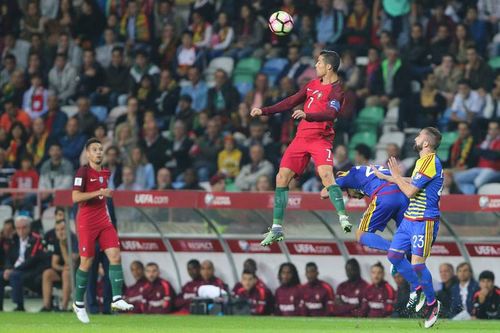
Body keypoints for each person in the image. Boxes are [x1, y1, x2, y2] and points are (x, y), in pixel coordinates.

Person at [251, 50, 351, 246]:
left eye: (319, 63)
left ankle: (343, 217)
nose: (316, 66)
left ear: (329, 66)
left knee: (325, 174)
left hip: (320, 139)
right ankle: (277, 229)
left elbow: (330, 114)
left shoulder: (337, 90)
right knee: (281, 178)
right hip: (301, 139)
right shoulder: (312, 84)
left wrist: (307, 115)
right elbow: (290, 101)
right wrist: (264, 111)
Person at [372, 127, 444, 328]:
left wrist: (395, 175)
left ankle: (432, 303)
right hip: (409, 220)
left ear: (426, 143)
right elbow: (415, 181)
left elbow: (411, 192)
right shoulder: (422, 162)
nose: (416, 138)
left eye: (419, 135)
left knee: (418, 265)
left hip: (424, 221)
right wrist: (387, 177)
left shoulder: (432, 162)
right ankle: (419, 286)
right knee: (394, 256)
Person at [71, 138, 133, 323]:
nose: (98, 152)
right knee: (86, 263)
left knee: (115, 255)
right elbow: (75, 197)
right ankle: (78, 304)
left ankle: (116, 299)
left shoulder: (106, 172)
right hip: (87, 222)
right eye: (95, 149)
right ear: (88, 153)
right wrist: (99, 193)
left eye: (100, 149)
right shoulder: (82, 171)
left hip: (104, 221)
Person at [321, 165, 409, 253]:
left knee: (361, 234)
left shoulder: (349, 176)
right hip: (404, 196)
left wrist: (339, 185)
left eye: (347, 192)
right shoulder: (372, 169)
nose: (350, 196)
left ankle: (395, 251)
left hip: (384, 196)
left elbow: (323, 193)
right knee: (406, 238)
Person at [0, 215, 45, 311]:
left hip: (30, 270)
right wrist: (7, 268)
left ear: (29, 227)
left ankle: (19, 305)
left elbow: (32, 259)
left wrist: (13, 270)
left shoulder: (36, 239)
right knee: (1, 275)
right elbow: (8, 257)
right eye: (18, 228)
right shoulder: (13, 239)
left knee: (15, 275)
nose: (21, 231)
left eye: (24, 227)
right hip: (15, 269)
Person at [41, 219, 78, 311]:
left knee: (66, 273)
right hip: (65, 271)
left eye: (62, 229)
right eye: (57, 230)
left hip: (77, 273)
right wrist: (63, 268)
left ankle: (63, 307)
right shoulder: (58, 241)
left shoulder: (74, 240)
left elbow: (70, 263)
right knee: (48, 273)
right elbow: (54, 264)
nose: (60, 232)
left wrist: (63, 246)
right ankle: (47, 306)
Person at [454, 121, 500, 194]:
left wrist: (483, 152)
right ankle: (470, 197)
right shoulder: (486, 142)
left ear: (498, 130)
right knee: (458, 178)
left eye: (494, 129)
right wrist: (486, 152)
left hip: (494, 170)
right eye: (490, 129)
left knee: (478, 181)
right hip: (480, 169)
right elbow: (476, 152)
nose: (492, 131)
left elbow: (495, 156)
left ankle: (472, 198)